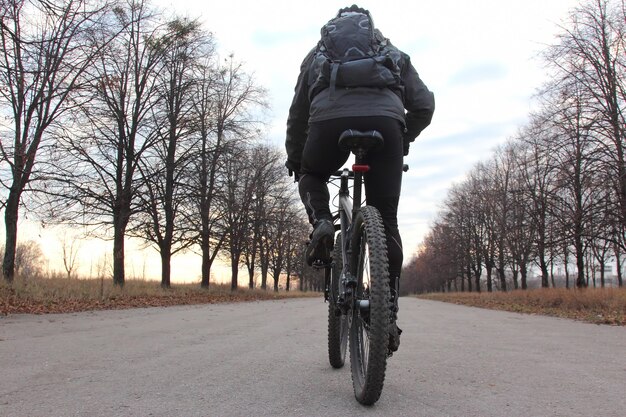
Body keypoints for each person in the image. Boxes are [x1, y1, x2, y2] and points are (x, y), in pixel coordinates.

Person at [285, 4, 435, 352]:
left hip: (328, 124)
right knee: (387, 219)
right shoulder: (390, 51)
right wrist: (403, 138)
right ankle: (388, 312)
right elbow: (424, 105)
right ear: (369, 26)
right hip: (386, 124)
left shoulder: (316, 55)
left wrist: (296, 159)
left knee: (312, 173)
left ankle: (323, 222)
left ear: (333, 28)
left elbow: (297, 114)